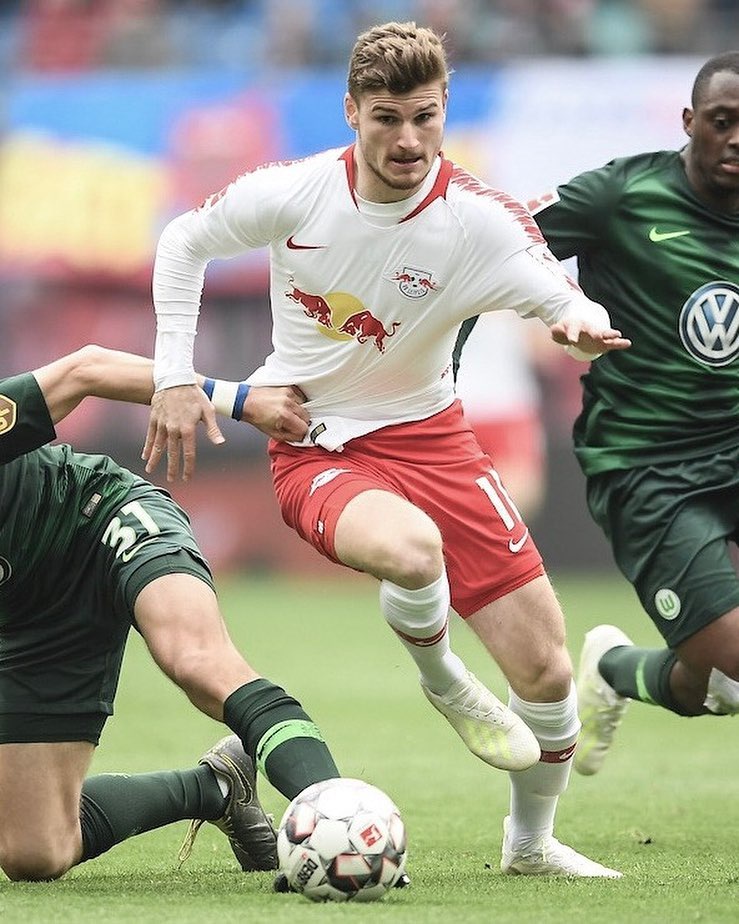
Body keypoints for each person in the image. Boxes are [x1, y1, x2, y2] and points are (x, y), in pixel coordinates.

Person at [143, 21, 631, 877]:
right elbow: (184, 240)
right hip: (315, 438)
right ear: (351, 113)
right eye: (386, 118)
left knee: (549, 674)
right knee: (410, 550)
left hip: (435, 439)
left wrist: (580, 322)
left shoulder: (476, 219)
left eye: (424, 117)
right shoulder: (296, 192)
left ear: (443, 112)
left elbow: (554, 290)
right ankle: (444, 680)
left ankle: (529, 844)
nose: (407, 139)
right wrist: (173, 375)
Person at [457, 51, 739, 778]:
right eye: (722, 121)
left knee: (723, 684)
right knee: (727, 679)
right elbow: (498, 246)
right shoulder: (621, 195)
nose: (736, 138)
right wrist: (553, 308)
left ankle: (622, 670)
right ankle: (616, 668)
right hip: (650, 471)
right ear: (690, 122)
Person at [0, 344, 343, 882]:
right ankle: (218, 786)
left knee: (197, 661)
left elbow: (86, 369)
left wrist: (241, 401)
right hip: (29, 615)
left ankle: (341, 818)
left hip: (100, 517)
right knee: (35, 853)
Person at [453, 311, 548, 521]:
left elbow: (545, 348)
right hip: (461, 408)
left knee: (516, 496)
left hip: (504, 407)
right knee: (512, 499)